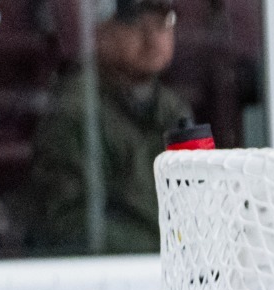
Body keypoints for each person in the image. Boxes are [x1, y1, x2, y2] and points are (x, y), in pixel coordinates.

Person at [23, 0, 192, 254]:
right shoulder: (76, 111)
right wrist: (163, 246)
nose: (154, 37)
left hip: (169, 272)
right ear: (100, 31)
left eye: (163, 23)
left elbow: (197, 199)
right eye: (136, 24)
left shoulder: (172, 108)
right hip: (105, 278)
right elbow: (67, 223)